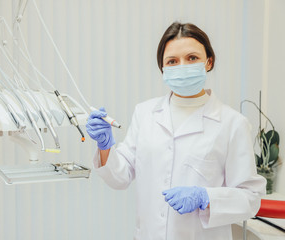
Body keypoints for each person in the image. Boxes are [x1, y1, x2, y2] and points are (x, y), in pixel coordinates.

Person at [86, 22, 266, 240]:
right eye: (172, 61)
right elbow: (120, 177)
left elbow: (251, 198)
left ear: (208, 62)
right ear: (163, 69)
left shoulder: (232, 123)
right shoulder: (145, 113)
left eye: (192, 58)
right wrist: (105, 147)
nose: (182, 66)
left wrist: (206, 197)